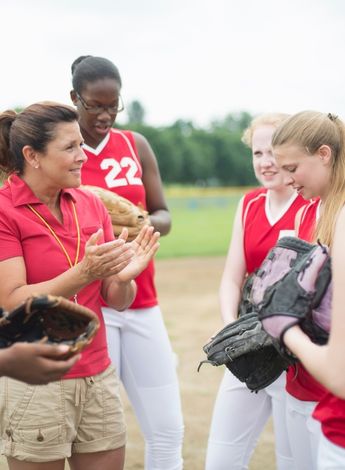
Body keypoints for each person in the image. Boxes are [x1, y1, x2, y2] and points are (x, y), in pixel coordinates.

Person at [0, 102, 160, 470]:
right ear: (32, 156)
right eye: (69, 147)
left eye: (81, 145)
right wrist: (85, 272)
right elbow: (12, 301)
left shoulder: (91, 202)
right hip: (34, 380)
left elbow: (115, 299)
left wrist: (123, 278)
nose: (83, 156)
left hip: (97, 372)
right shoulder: (4, 211)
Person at [70, 55, 184, 470]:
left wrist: (141, 222)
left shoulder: (134, 145)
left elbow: (164, 215)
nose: (104, 114)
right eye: (94, 105)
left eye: (112, 105)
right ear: (74, 99)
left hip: (141, 297)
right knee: (98, 432)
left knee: (168, 429)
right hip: (89, 303)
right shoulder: (62, 148)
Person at [205, 113, 307, 470]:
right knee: (221, 459)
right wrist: (231, 327)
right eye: (258, 153)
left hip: (292, 351)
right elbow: (232, 277)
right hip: (249, 343)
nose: (266, 163)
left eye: (275, 152)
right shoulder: (249, 203)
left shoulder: (311, 204)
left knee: (292, 461)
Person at [268, 110, 345, 469]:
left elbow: (340, 375)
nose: (287, 179)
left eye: (293, 167)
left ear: (324, 154)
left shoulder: (342, 216)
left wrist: (282, 326)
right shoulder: (318, 209)